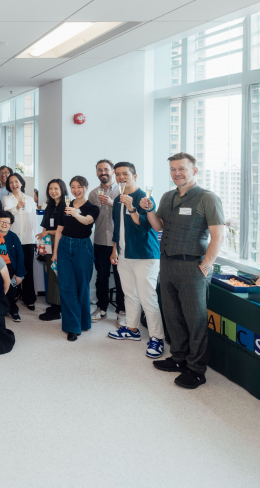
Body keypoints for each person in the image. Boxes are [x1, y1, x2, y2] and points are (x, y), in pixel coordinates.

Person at [144, 152, 225, 389]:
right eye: (173, 169)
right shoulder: (167, 196)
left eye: (182, 169)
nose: (177, 173)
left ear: (194, 171)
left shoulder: (207, 198)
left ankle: (197, 370)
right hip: (168, 264)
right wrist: (149, 210)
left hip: (193, 267)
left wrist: (205, 267)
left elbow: (218, 236)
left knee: (195, 321)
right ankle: (178, 358)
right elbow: (158, 226)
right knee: (172, 315)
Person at [106, 162, 165, 359]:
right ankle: (132, 329)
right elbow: (117, 228)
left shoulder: (145, 198)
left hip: (144, 256)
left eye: (125, 174)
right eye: (118, 174)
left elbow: (146, 227)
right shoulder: (117, 199)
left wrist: (131, 207)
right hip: (124, 255)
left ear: (135, 176)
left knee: (148, 297)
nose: (121, 177)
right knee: (129, 294)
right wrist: (115, 250)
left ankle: (157, 338)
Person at [52, 176, 100, 341]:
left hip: (83, 247)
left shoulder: (92, 207)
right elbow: (59, 230)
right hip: (64, 246)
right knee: (66, 286)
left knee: (82, 287)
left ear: (86, 187)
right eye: (73, 187)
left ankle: (84, 322)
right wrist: (55, 253)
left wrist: (75, 213)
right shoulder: (64, 205)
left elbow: (88, 221)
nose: (76, 190)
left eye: (79, 186)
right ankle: (72, 326)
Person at [89, 159, 125, 324]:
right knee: (101, 278)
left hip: (120, 242)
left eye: (106, 169)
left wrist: (113, 203)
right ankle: (101, 308)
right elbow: (90, 217)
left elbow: (128, 215)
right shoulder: (93, 194)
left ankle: (122, 311)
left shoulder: (122, 190)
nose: (102, 172)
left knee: (121, 278)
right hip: (100, 241)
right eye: (99, 170)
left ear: (112, 171)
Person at [2, 173, 37, 311]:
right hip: (12, 239)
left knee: (28, 269)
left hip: (28, 238)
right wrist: (16, 207)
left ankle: (29, 298)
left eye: (16, 181)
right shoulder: (7, 199)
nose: (14, 184)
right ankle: (14, 293)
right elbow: (6, 215)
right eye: (11, 182)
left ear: (21, 183)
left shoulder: (30, 199)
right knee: (13, 268)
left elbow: (34, 220)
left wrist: (35, 238)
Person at [0, 211, 26, 323]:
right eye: (1, 221)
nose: (4, 224)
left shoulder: (14, 237)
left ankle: (13, 310)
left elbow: (20, 256)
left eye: (7, 222)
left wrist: (19, 274)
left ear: (11, 224)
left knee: (12, 290)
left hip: (10, 267)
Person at [37, 179, 68, 321]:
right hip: (48, 240)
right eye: (50, 189)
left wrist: (48, 233)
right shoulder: (49, 205)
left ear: (62, 189)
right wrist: (43, 242)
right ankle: (55, 303)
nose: (53, 191)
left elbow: (64, 229)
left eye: (56, 188)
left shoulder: (65, 205)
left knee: (56, 273)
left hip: (59, 241)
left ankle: (57, 308)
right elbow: (44, 225)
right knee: (50, 271)